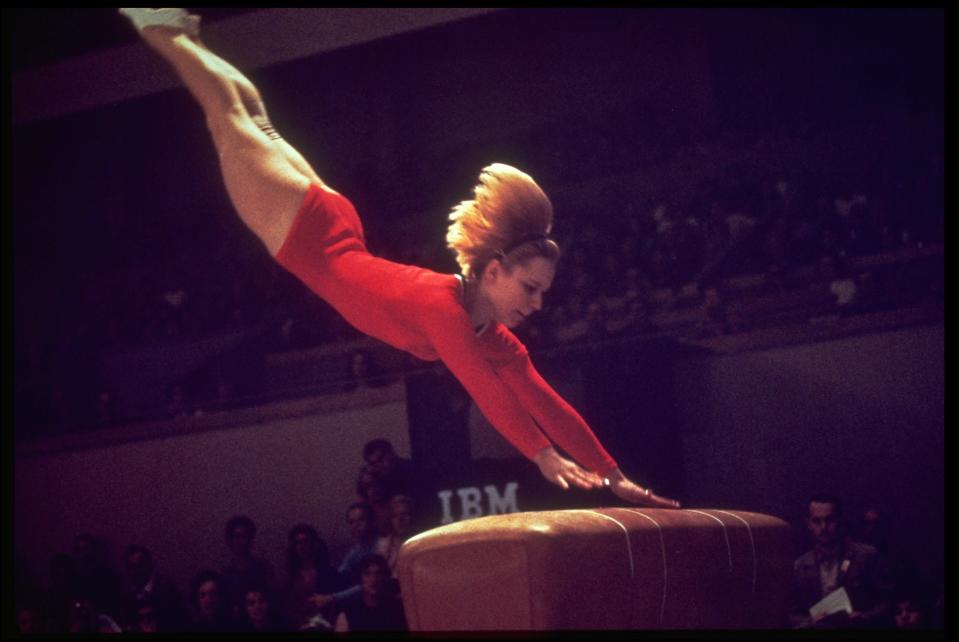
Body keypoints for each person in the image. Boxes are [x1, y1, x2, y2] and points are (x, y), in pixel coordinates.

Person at [119, 8, 679, 508]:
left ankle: (175, 30)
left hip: (332, 226)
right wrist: (540, 456)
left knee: (253, 118)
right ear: (492, 271)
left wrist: (612, 474)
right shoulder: (444, 310)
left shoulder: (487, 334)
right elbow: (485, 390)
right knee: (229, 120)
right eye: (530, 288)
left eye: (542, 292)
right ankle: (158, 27)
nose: (537, 303)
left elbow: (544, 399)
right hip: (300, 233)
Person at [790, 494, 894, 629]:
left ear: (840, 520)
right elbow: (793, 614)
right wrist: (810, 623)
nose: (824, 527)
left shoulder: (866, 556)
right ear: (808, 524)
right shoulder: (801, 565)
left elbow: (888, 601)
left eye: (830, 520)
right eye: (817, 521)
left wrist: (864, 617)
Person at [333, 554, 408, 633]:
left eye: (378, 573)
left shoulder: (396, 609)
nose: (373, 579)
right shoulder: (349, 613)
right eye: (367, 574)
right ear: (360, 578)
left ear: (384, 577)